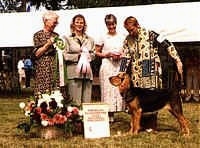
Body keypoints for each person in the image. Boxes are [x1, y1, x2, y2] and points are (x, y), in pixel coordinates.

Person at [119, 16, 183, 131]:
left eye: (132, 30)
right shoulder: (127, 39)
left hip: (151, 71)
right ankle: (139, 125)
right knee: (141, 99)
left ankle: (152, 125)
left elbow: (168, 44)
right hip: (136, 75)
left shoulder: (150, 34)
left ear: (137, 25)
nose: (130, 33)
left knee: (153, 97)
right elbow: (125, 56)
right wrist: (121, 72)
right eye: (128, 31)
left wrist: (177, 60)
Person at [95, 14, 125, 122]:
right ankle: (109, 115)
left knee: (119, 88)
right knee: (108, 89)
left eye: (113, 24)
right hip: (107, 64)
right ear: (106, 25)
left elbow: (126, 52)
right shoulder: (102, 36)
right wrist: (107, 54)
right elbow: (96, 52)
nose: (111, 26)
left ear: (116, 23)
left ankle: (121, 109)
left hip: (119, 65)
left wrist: (121, 56)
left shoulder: (122, 36)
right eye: (109, 24)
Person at [63, 14, 95, 106]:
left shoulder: (90, 39)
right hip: (73, 73)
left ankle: (85, 119)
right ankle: (75, 120)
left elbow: (93, 54)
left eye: (82, 22)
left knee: (87, 102)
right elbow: (65, 55)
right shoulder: (67, 39)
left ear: (84, 25)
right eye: (77, 22)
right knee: (74, 102)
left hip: (87, 74)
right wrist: (78, 56)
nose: (79, 24)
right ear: (73, 24)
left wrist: (87, 56)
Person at [32, 11, 60, 96]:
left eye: (56, 22)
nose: (56, 24)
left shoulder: (56, 35)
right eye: (54, 22)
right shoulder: (38, 35)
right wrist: (48, 44)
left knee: (55, 91)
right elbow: (37, 54)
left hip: (55, 66)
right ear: (46, 21)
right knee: (42, 91)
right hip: (42, 67)